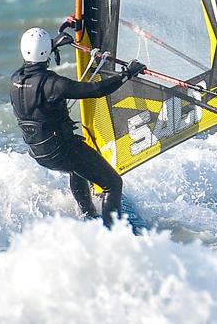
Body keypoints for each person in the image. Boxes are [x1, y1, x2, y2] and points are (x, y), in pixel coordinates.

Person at [10, 24, 145, 226]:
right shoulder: (53, 85)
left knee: (77, 167)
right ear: (46, 51)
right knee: (112, 184)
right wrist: (126, 74)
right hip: (61, 151)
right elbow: (97, 89)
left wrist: (54, 45)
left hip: (39, 152)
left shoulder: (16, 79)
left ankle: (88, 214)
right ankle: (114, 234)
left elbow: (35, 63)